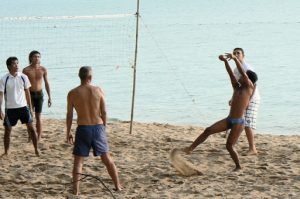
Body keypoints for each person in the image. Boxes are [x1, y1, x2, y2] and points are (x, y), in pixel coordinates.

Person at [183, 53, 258, 171]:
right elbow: (231, 74)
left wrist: (234, 58)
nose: (239, 77)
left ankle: (238, 166)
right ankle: (190, 149)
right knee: (208, 130)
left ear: (248, 80)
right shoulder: (237, 87)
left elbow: (242, 72)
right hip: (229, 119)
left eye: (243, 76)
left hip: (239, 122)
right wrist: (225, 62)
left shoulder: (249, 87)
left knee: (229, 146)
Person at [66, 66, 122, 195]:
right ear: (90, 77)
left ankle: (76, 191)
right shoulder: (98, 90)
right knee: (107, 159)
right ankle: (117, 186)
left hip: (83, 128)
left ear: (79, 76)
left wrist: (68, 131)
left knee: (78, 161)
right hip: (97, 127)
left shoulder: (72, 93)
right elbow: (104, 112)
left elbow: (69, 115)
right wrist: (103, 127)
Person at [0, 57, 39, 156]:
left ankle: (36, 149)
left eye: (17, 63)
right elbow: (1, 95)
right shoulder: (4, 79)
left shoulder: (23, 77)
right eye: (14, 64)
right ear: (9, 66)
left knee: (32, 128)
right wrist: (0, 110)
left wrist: (30, 108)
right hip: (10, 109)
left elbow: (27, 93)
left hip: (23, 107)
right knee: (7, 131)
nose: (17, 65)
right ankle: (6, 151)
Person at [231, 48, 260, 154]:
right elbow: (237, 86)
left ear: (243, 55)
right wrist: (233, 98)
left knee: (248, 123)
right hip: (243, 98)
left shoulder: (247, 67)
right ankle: (235, 144)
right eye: (234, 53)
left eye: (238, 53)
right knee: (239, 121)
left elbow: (254, 85)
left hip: (253, 98)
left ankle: (252, 148)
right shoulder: (235, 70)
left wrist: (249, 100)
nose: (236, 55)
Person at [23, 50, 52, 141]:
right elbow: (23, 85)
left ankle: (38, 136)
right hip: (30, 95)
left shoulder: (43, 69)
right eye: (35, 56)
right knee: (29, 116)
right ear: (31, 58)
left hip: (39, 94)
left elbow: (46, 83)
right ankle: (30, 135)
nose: (37, 58)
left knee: (38, 116)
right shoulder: (26, 70)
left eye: (38, 57)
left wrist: (49, 97)